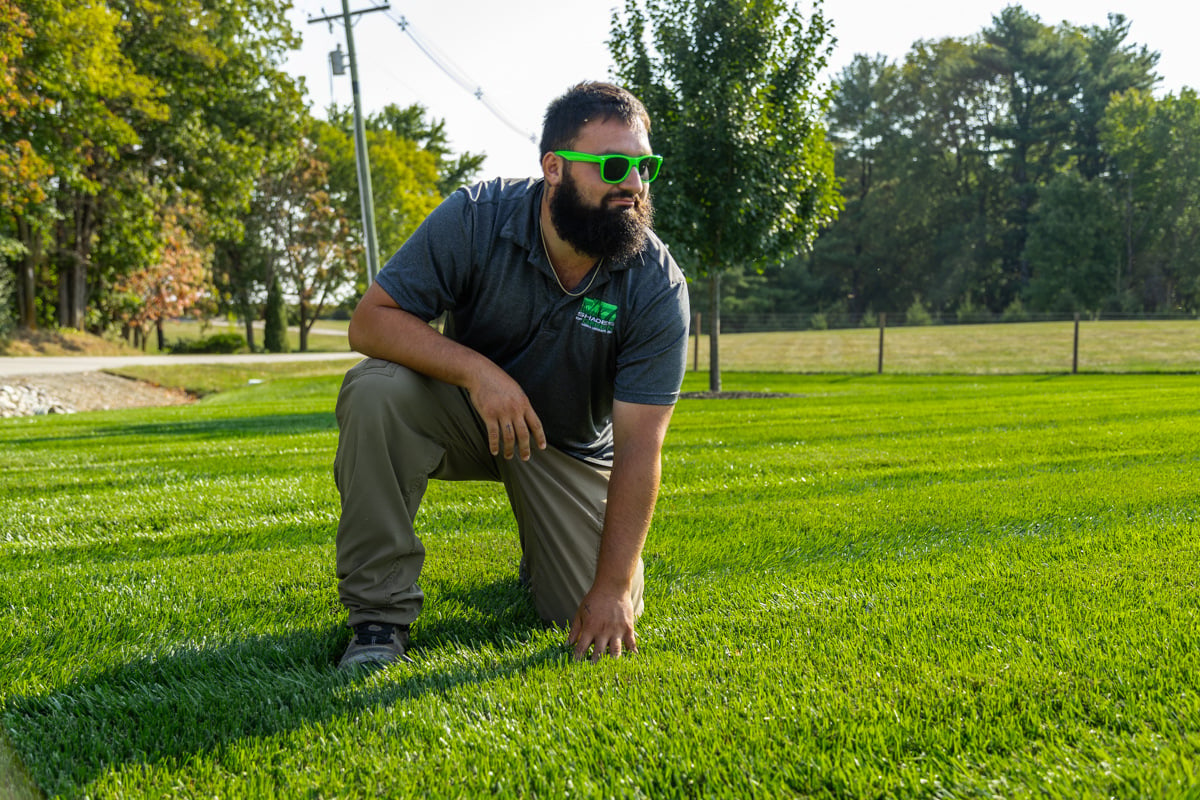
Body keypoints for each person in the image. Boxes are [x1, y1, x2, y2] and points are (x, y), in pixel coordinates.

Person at [333, 81, 689, 669]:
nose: (634, 184)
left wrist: (610, 589)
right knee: (375, 390)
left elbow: (640, 447)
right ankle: (378, 619)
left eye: (645, 166)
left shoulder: (655, 282)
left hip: (568, 447)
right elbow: (371, 322)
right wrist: (479, 374)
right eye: (615, 165)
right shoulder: (477, 216)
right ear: (554, 167)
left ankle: (544, 557)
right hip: (470, 418)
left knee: (582, 606)